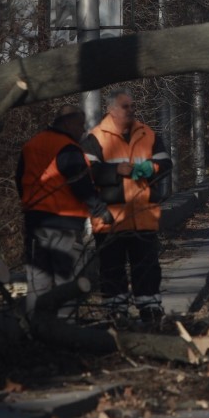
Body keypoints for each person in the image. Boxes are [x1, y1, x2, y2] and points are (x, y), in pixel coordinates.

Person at [83, 88, 173, 323]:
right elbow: (85, 172)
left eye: (133, 106)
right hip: (111, 218)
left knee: (147, 266)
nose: (131, 110)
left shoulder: (147, 134)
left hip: (143, 215)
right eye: (126, 106)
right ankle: (116, 312)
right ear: (111, 109)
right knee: (112, 268)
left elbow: (165, 162)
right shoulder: (95, 138)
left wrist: (150, 168)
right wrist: (115, 170)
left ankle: (150, 309)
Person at [16, 104, 112, 317]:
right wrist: (99, 209)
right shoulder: (67, 148)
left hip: (36, 220)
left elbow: (20, 179)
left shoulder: (32, 144)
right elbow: (79, 183)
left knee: (37, 277)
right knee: (65, 279)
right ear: (67, 123)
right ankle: (65, 324)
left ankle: (35, 323)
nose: (83, 130)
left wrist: (30, 203)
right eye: (80, 125)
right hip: (64, 222)